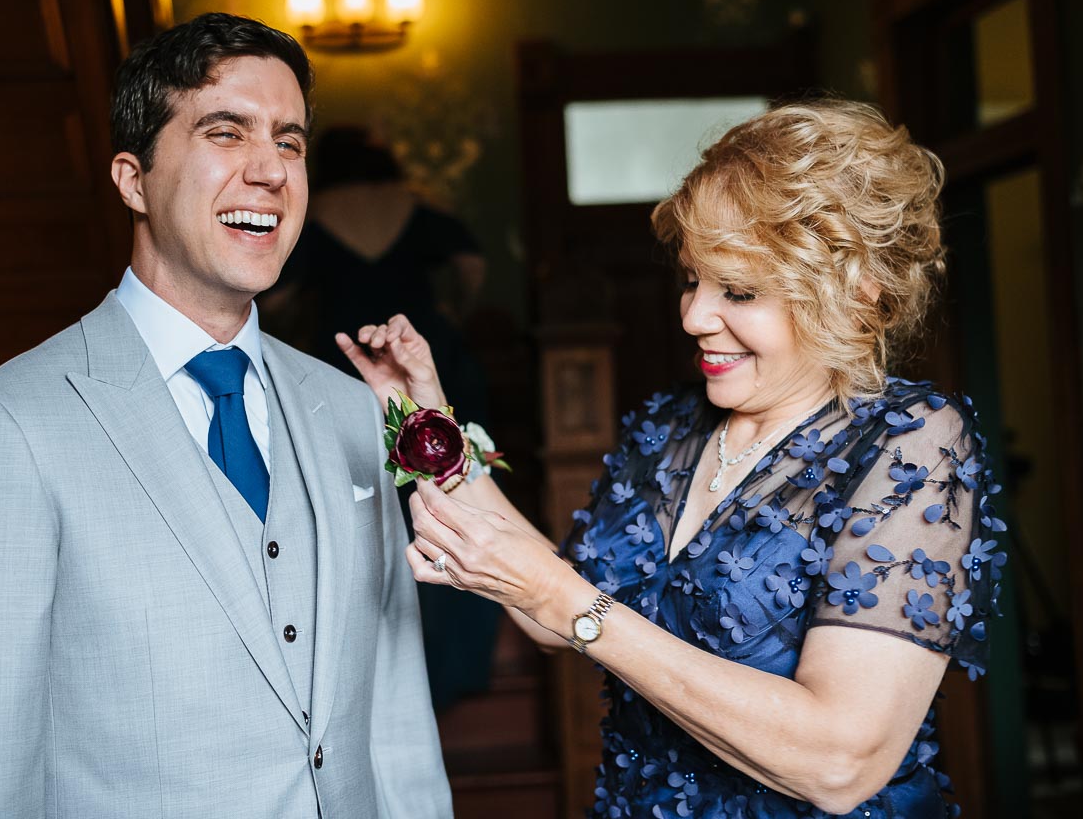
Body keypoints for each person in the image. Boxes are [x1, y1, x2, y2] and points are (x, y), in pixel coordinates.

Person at [343, 101, 1003, 818]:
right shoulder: (672, 428)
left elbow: (840, 763)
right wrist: (425, 420)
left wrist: (568, 603)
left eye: (739, 291)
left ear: (855, 295)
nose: (692, 316)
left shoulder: (907, 443)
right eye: (693, 279)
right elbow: (546, 610)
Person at [0, 13, 452, 819]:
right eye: (226, 133)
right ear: (133, 179)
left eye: (291, 142)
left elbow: (396, 714)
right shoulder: (3, 428)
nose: (271, 170)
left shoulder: (347, 408)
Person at [266, 124, 500, 709]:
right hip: (426, 359)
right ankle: (455, 666)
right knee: (451, 506)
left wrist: (294, 328)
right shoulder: (416, 207)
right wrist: (452, 311)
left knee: (363, 516)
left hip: (343, 368)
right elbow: (472, 263)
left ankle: (379, 673)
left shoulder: (314, 216)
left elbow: (271, 296)